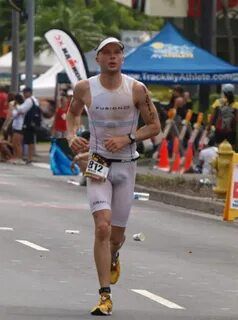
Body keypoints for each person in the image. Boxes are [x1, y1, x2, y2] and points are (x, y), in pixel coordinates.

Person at [66, 37, 160, 316]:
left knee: (116, 236)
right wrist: (71, 136)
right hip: (97, 163)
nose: (112, 57)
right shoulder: (84, 88)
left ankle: (115, 253)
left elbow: (154, 126)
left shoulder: (137, 89)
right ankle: (104, 296)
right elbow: (71, 116)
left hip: (126, 165)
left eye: (117, 53)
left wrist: (128, 137)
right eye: (106, 53)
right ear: (98, 59)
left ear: (122, 58)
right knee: (102, 228)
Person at [14, 87, 40, 164]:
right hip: (33, 123)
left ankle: (27, 157)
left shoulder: (29, 100)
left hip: (28, 123)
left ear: (29, 93)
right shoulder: (35, 100)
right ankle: (29, 157)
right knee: (30, 141)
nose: (24, 95)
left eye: (25, 93)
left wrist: (16, 107)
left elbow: (22, 109)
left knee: (27, 141)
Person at [10, 93, 25, 164]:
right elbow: (13, 115)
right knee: (14, 143)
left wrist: (15, 110)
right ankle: (16, 157)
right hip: (15, 125)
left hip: (20, 126)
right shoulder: (16, 106)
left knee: (18, 143)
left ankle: (19, 158)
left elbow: (15, 114)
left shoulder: (21, 107)